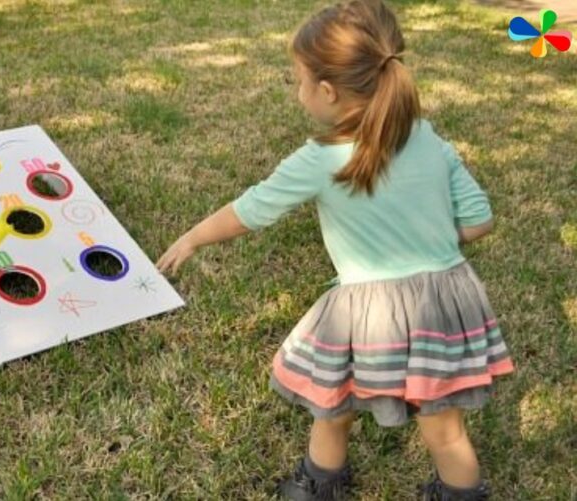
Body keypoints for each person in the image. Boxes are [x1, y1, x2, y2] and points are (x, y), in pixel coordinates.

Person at [156, 1, 515, 500]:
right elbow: (479, 220)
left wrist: (192, 237)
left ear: (327, 91)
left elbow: (250, 210)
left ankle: (318, 487)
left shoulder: (319, 160)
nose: (299, 94)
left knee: (332, 402)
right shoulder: (426, 137)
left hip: (366, 315)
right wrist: (426, 245)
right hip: (445, 303)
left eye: (298, 81)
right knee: (445, 429)